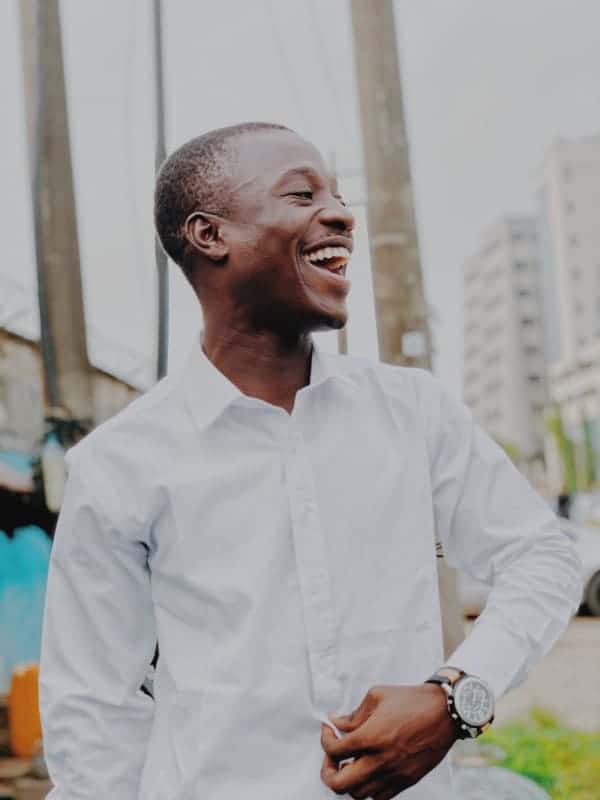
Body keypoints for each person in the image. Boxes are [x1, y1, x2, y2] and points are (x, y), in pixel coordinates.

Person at [39, 122, 581, 800]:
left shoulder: (413, 412)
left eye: (336, 195)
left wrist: (455, 697)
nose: (341, 215)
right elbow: (94, 721)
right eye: (302, 194)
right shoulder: (119, 465)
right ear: (211, 236)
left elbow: (542, 557)